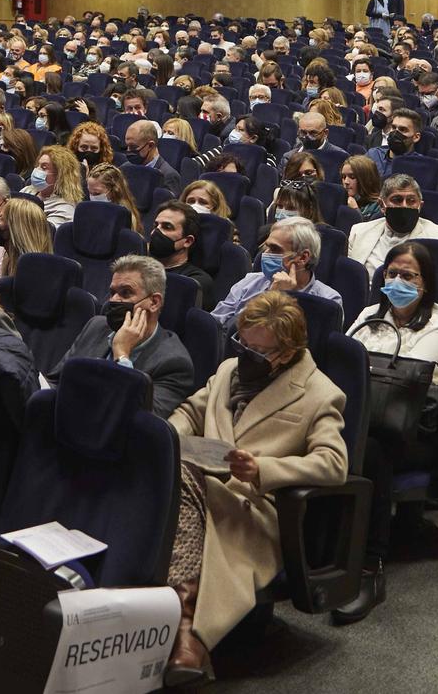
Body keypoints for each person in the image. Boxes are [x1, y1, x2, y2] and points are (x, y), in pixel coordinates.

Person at [165, 290, 347, 684]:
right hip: (202, 482)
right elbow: (188, 413)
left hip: (252, 507)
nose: (246, 354)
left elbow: (334, 464)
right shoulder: (230, 370)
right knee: (167, 473)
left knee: (178, 481)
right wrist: (170, 439)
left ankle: (185, 626)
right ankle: (174, 622)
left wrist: (263, 468)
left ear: (286, 352)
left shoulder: (320, 394)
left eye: (258, 351)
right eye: (242, 343)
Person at [339, 242, 438, 623]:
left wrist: (362, 373)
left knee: (372, 451)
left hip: (416, 431)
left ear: (426, 284)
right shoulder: (366, 315)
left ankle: (369, 567)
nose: (397, 281)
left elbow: (412, 376)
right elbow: (343, 362)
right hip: (361, 418)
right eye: (391, 273)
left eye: (408, 276)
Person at [60, 254, 196, 418]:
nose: (114, 300)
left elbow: (139, 420)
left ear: (154, 303)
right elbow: (57, 380)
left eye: (126, 293)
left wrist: (122, 354)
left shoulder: (173, 363)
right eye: (112, 293)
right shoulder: (96, 326)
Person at [211, 216, 341, 329]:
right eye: (267, 246)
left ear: (303, 258)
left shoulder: (328, 300)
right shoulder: (250, 281)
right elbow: (216, 324)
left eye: (274, 249)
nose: (265, 254)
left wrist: (274, 299)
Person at [345, 173, 438, 277]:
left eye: (411, 201)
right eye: (397, 200)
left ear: (420, 206)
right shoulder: (359, 232)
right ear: (382, 205)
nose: (404, 206)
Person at [149, 201, 217, 309]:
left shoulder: (195, 282)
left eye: (167, 227)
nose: (155, 232)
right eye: (156, 225)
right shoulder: (139, 266)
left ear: (188, 241)